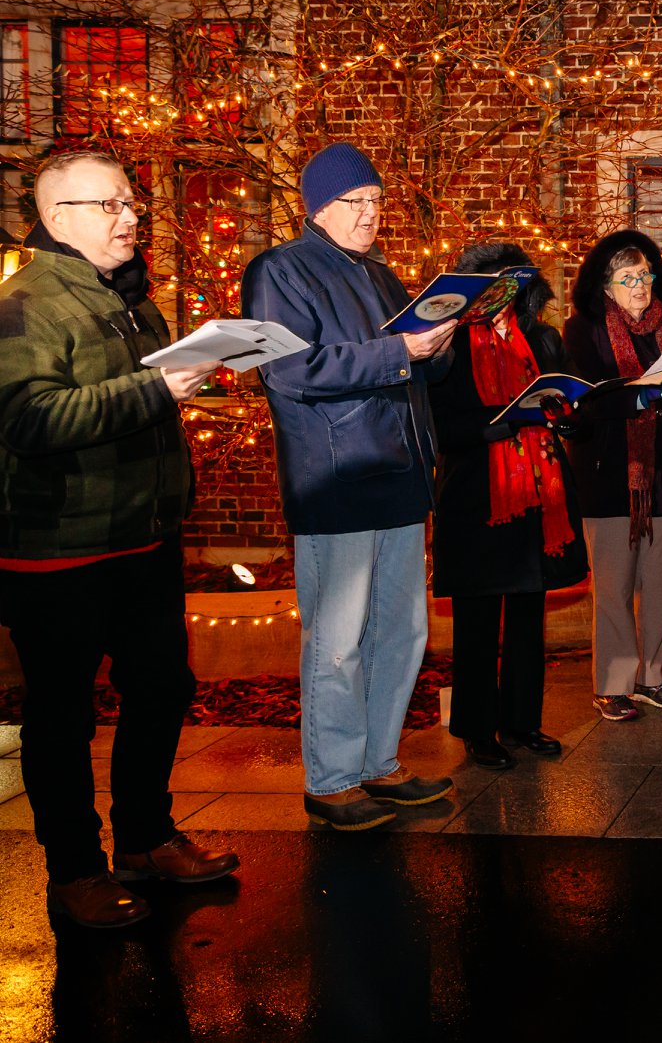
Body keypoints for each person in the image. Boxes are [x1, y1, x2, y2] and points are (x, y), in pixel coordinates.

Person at [0, 150, 238, 928]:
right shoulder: (26, 303)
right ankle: (74, 872)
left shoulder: (130, 300)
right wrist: (153, 388)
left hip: (143, 537)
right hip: (59, 550)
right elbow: (29, 420)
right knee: (63, 716)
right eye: (110, 205)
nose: (130, 216)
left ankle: (144, 839)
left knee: (162, 689)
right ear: (58, 217)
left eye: (131, 202)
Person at [244, 142, 459, 831]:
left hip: (398, 474)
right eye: (356, 203)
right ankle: (332, 778)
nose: (371, 215)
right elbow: (288, 370)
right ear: (318, 208)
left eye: (376, 202)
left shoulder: (381, 273)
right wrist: (399, 351)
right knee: (336, 641)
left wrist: (438, 344)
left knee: (402, 631)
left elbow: (412, 368)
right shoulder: (280, 269)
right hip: (336, 478)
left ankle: (377, 762)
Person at [429, 243, 586, 770]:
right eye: (493, 286)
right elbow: (440, 429)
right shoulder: (445, 345)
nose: (503, 296)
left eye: (512, 286)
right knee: (477, 621)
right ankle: (477, 729)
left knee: (526, 617)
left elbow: (564, 404)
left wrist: (566, 417)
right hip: (476, 496)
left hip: (538, 496)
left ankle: (522, 722)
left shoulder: (542, 337)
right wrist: (507, 420)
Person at [562, 230, 662, 722]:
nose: (640, 286)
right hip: (611, 476)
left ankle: (654, 676)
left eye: (645, 275)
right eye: (628, 278)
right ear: (606, 286)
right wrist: (639, 398)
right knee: (615, 587)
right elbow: (583, 399)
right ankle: (614, 683)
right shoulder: (583, 328)